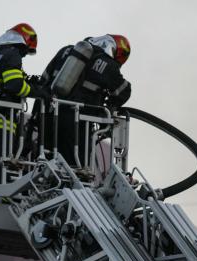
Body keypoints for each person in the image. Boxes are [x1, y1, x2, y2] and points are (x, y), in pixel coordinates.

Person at [40, 34, 132, 166]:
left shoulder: (65, 51)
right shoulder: (107, 63)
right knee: (76, 165)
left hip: (48, 116)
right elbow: (124, 90)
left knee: (49, 161)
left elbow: (43, 81)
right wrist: (109, 107)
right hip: (78, 122)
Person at [0, 22, 39, 209]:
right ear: (22, 42)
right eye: (25, 50)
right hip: (2, 118)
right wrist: (35, 91)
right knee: (2, 161)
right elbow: (15, 85)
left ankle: (1, 198)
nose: (23, 55)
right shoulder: (12, 54)